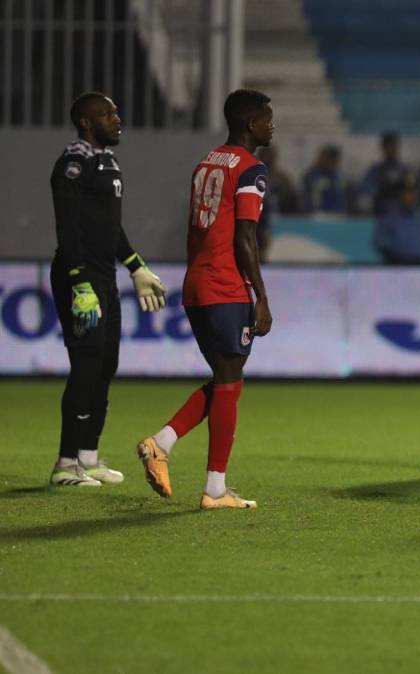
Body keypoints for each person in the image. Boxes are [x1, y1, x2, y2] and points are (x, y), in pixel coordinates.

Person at [135, 89, 275, 509]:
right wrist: (261, 295)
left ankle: (168, 448)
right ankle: (210, 485)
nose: (272, 126)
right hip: (225, 285)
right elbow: (245, 236)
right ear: (250, 124)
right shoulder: (251, 169)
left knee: (226, 381)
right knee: (229, 382)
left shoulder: (208, 161)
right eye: (267, 119)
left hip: (197, 282)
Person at [47, 92, 168, 487]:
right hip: (79, 278)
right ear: (86, 122)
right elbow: (67, 227)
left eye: (116, 111)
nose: (117, 118)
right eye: (106, 113)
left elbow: (109, 227)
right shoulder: (74, 162)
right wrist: (79, 281)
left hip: (104, 277)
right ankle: (65, 464)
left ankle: (88, 456)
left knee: (105, 365)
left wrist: (136, 266)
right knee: (86, 365)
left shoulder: (108, 162)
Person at [374, 174, 420, 265]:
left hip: (416, 262)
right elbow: (379, 241)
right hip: (396, 262)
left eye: (413, 192)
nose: (410, 196)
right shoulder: (389, 215)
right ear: (400, 194)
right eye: (407, 193)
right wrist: (391, 256)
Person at [358, 132, 411, 213]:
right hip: (381, 213)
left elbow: (412, 192)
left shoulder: (405, 170)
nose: (393, 150)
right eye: (390, 146)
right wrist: (381, 189)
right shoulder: (375, 171)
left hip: (402, 215)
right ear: (384, 148)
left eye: (395, 146)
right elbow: (365, 192)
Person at [301, 145, 347, 213]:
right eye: (324, 158)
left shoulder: (339, 177)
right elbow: (306, 199)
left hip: (336, 214)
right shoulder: (311, 176)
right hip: (315, 214)